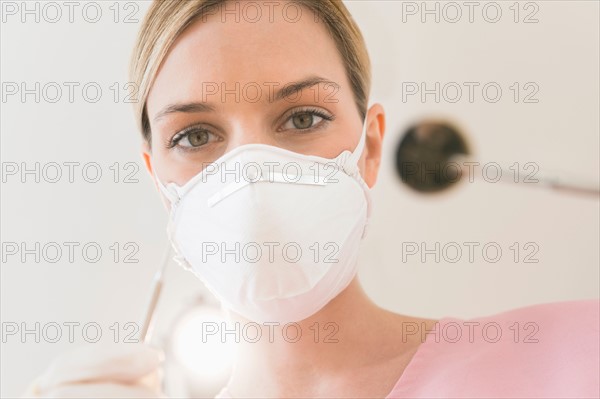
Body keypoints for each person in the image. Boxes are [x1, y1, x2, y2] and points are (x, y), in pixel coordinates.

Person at [24, 1, 599, 398]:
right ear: (159, 181)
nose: (250, 172)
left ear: (370, 148)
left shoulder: (575, 356)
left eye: (302, 117)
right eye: (195, 136)